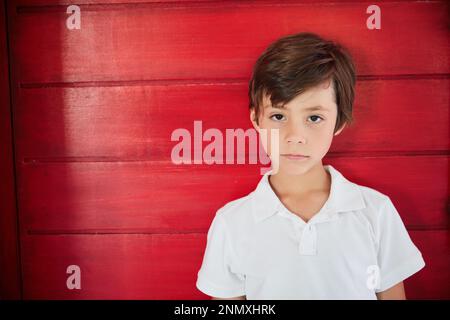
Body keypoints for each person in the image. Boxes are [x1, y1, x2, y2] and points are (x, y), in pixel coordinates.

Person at [196, 32, 425, 300]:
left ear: (339, 122)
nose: (295, 135)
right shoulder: (232, 223)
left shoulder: (375, 212)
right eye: (278, 116)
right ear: (256, 119)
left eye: (314, 117)